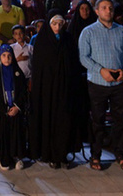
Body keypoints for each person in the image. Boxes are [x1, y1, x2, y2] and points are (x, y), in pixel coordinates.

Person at [78, 0, 123, 171]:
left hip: (119, 82)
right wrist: (100, 70)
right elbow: (83, 57)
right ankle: (96, 155)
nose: (108, 11)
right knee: (98, 121)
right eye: (104, 8)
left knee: (120, 120)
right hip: (98, 83)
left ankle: (121, 154)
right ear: (97, 11)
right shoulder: (88, 32)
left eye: (110, 8)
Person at [28, 14, 81, 168]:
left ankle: (63, 153)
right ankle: (50, 154)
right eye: (54, 24)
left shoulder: (68, 40)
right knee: (49, 120)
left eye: (60, 24)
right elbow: (38, 68)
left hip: (65, 88)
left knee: (64, 120)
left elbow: (73, 63)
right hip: (47, 90)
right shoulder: (42, 41)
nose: (57, 27)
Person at [0, 44, 27, 170]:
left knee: (17, 132)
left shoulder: (18, 72)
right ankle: (4, 157)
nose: (7, 58)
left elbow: (23, 91)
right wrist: (4, 109)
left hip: (16, 109)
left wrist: (17, 107)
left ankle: (17, 156)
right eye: (4, 56)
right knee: (4, 133)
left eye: (9, 56)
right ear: (0, 57)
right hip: (3, 111)